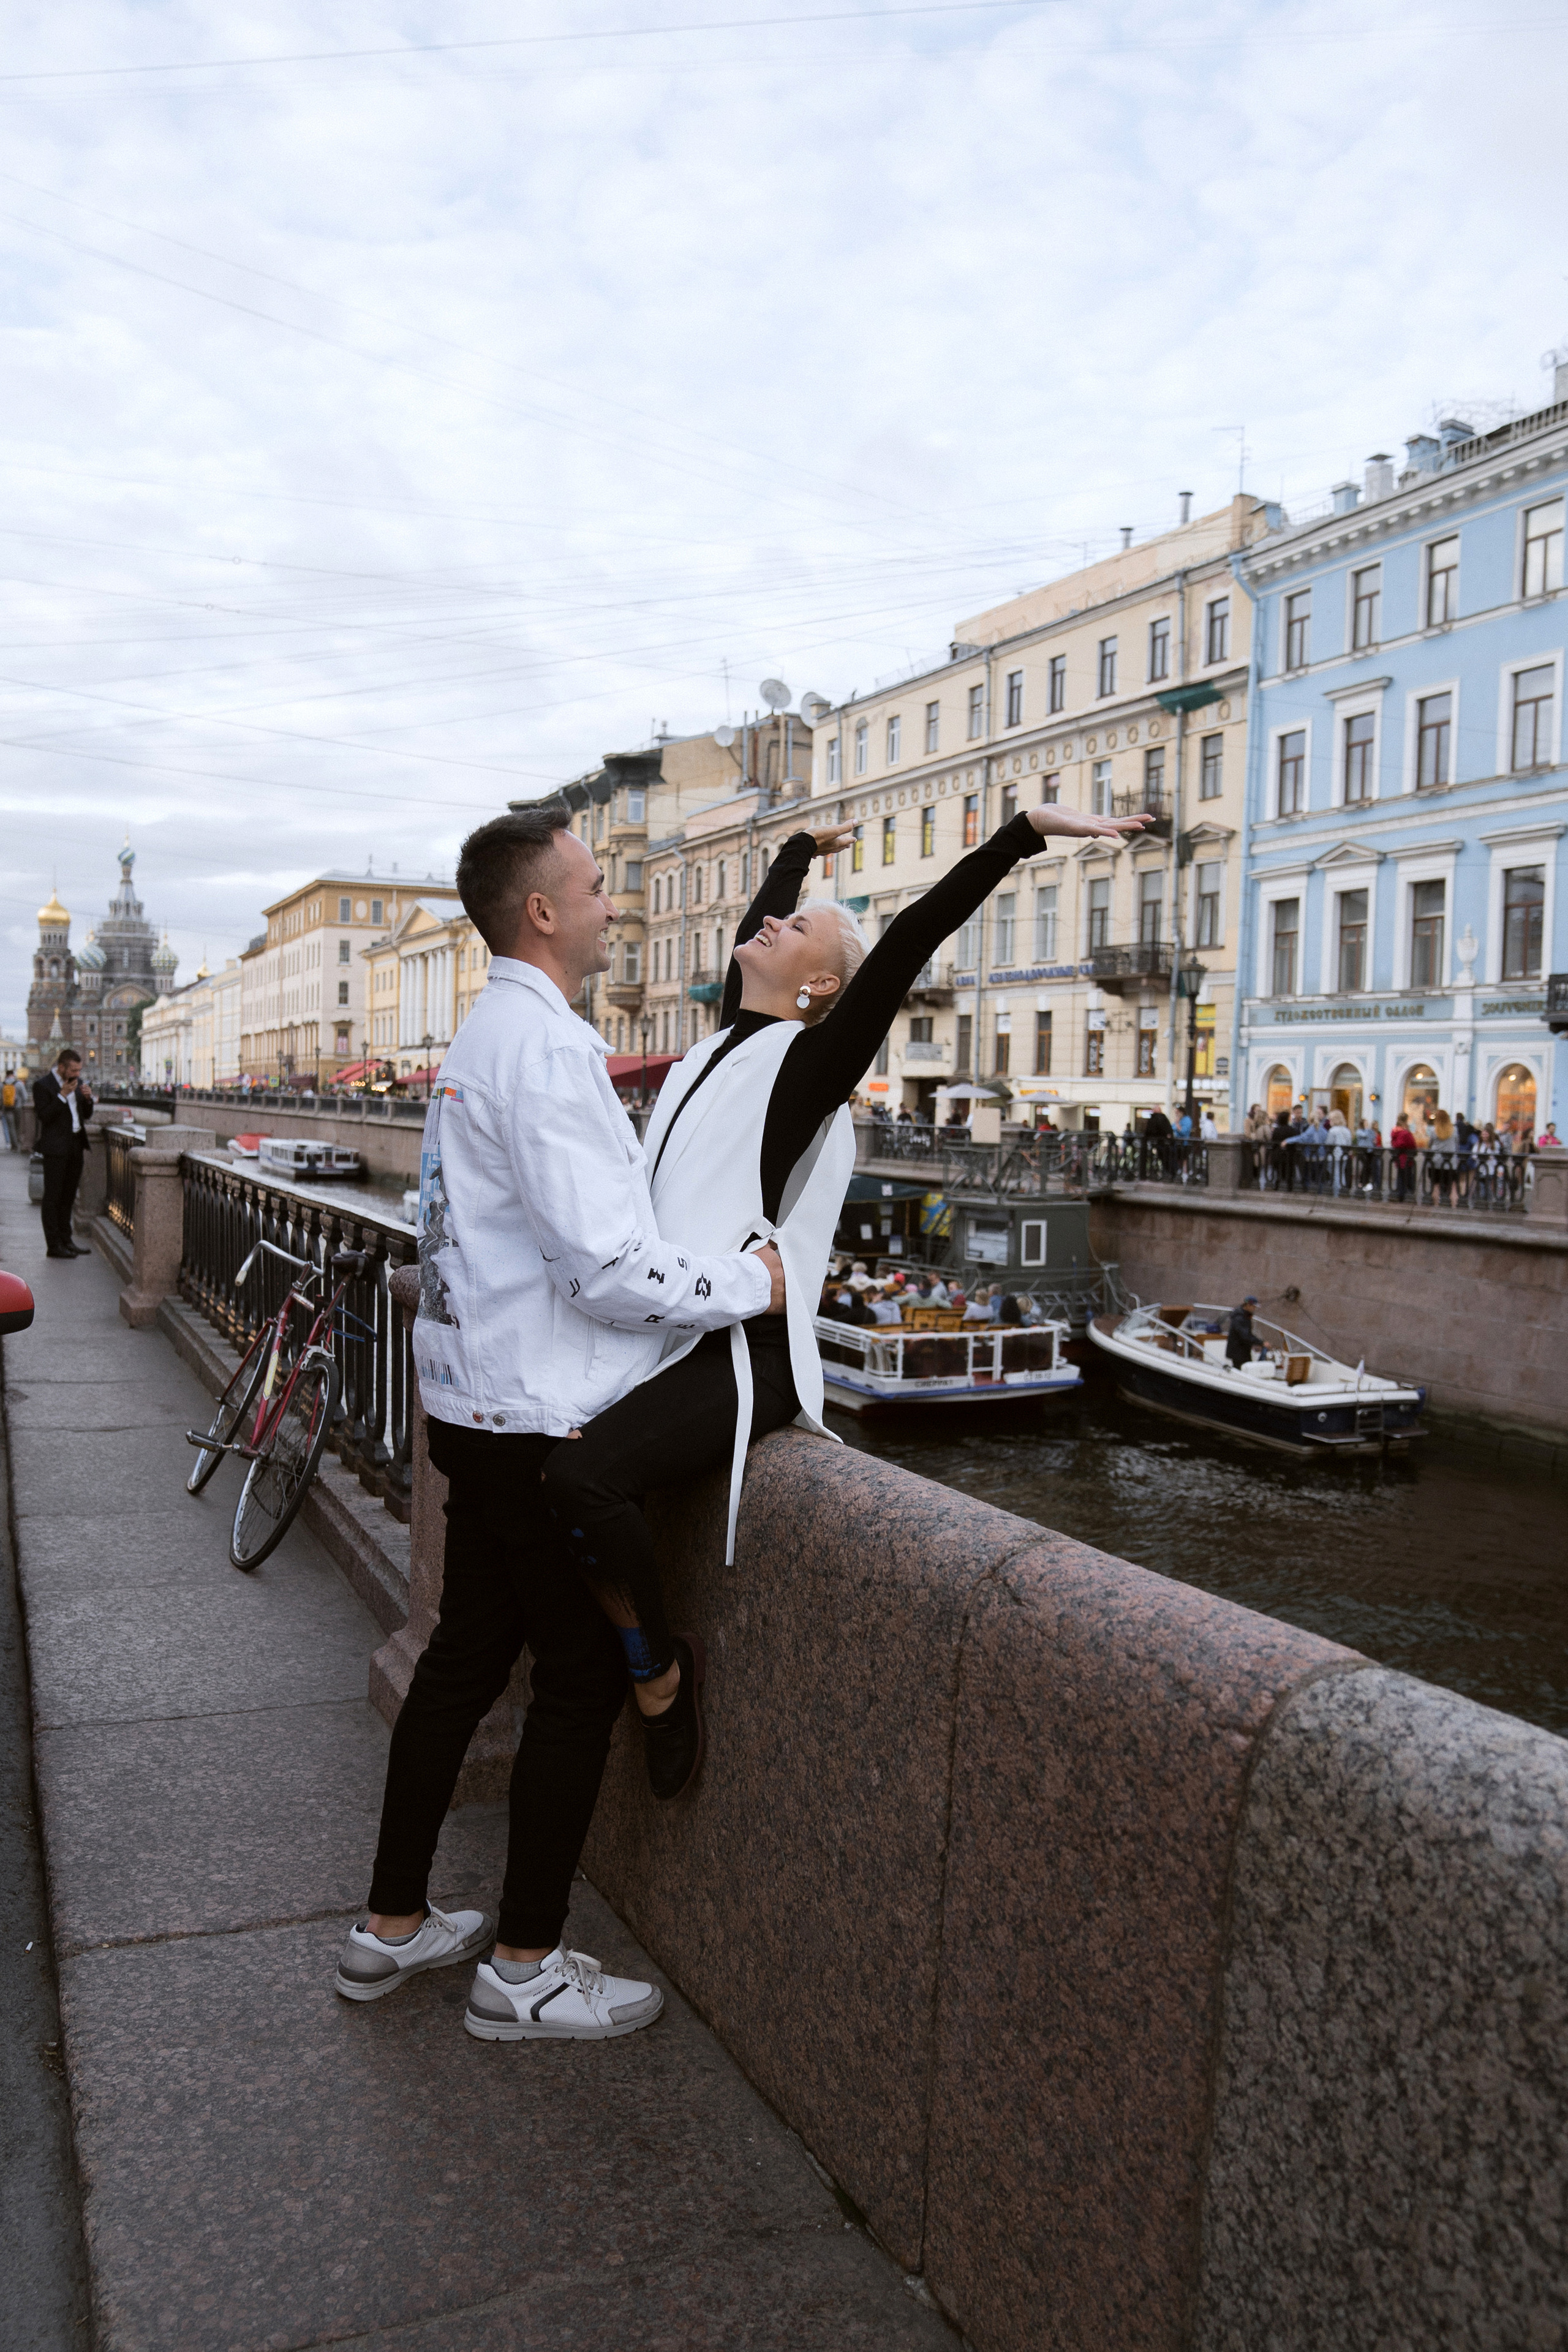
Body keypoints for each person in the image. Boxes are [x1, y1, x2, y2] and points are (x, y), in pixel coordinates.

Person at [540, 794, 1153, 1801]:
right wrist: (791, 856)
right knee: (547, 1468)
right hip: (668, 1327)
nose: (772, 924)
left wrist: (1021, 834)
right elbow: (756, 935)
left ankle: (658, 1678)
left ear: (822, 985)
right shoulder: (715, 1050)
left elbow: (910, 940)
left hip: (742, 1352)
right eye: (778, 916)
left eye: (798, 927)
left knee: (580, 1481)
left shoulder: (805, 1066)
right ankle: (623, 1660)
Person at [336, 809, 783, 2043]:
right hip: (532, 1417)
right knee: (580, 1677)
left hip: (471, 1400)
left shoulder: (487, 1036)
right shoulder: (545, 1051)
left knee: (464, 1660)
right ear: (541, 912)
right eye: (593, 886)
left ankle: (390, 1927)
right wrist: (749, 1286)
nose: (608, 902)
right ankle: (524, 1966)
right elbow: (603, 1265)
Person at [32, 1049, 94, 1259]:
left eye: (79, 1070)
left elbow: (85, 1115)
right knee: (53, 1197)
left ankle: (67, 1241)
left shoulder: (77, 1083)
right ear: (61, 1067)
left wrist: (88, 1099)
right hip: (55, 1149)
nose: (77, 1074)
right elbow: (45, 1117)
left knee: (69, 1196)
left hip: (76, 1145)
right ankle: (54, 1245)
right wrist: (62, 1096)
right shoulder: (43, 1085)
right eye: (74, 1070)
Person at [1226, 1295, 1262, 1371]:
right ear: (1248, 1305)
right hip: (1238, 1351)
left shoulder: (1244, 1315)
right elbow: (1245, 1335)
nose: (1254, 1309)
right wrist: (1261, 1343)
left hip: (1242, 1350)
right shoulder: (1240, 1318)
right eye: (1254, 1307)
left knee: (1244, 1369)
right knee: (1242, 1370)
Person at [0, 1072, 18, 1152]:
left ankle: (8, 1143)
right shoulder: (18, 1084)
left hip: (5, 1109)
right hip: (16, 1108)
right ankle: (16, 1145)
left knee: (6, 1127)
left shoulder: (2, 1085)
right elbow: (24, 1097)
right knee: (15, 1127)